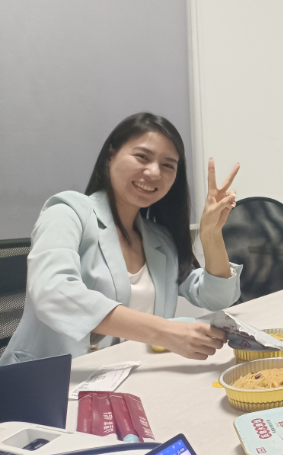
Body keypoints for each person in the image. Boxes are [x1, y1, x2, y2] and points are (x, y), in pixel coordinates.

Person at [0, 112, 243, 365]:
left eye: (168, 165)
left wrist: (211, 234)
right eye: (142, 157)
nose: (154, 172)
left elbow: (215, 298)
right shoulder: (67, 212)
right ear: (110, 155)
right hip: (52, 379)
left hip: (129, 375)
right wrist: (166, 332)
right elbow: (53, 293)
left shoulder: (159, 239)